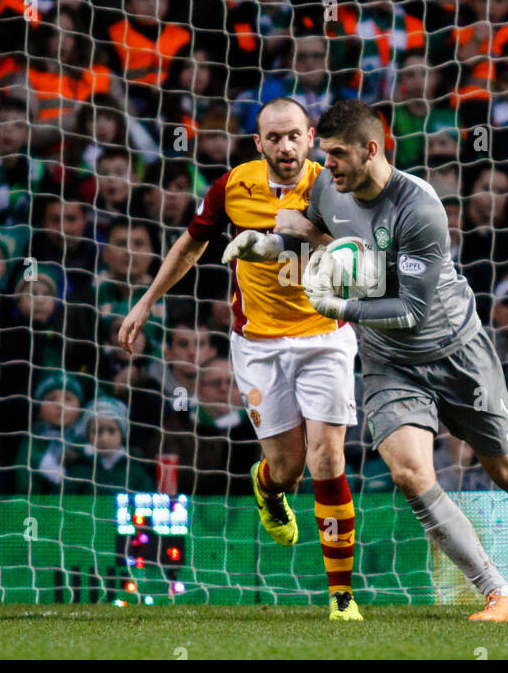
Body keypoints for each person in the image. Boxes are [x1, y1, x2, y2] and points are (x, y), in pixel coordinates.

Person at [278, 98, 508, 623]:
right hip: (389, 364)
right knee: (412, 474)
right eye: (326, 154)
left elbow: (412, 311)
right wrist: (271, 240)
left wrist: (338, 306)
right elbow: (324, 240)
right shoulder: (328, 187)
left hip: (456, 351)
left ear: (372, 149)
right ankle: (498, 594)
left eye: (339, 154)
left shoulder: (420, 207)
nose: (328, 165)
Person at [120, 96, 363, 622]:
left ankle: (341, 596)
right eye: (274, 138)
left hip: (326, 334)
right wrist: (144, 303)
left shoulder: (331, 182)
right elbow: (189, 247)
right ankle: (267, 486)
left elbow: (361, 249)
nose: (286, 146)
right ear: (259, 144)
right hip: (259, 344)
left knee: (327, 456)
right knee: (288, 467)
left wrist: (302, 234)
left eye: (294, 135)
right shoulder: (233, 186)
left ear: (311, 135)